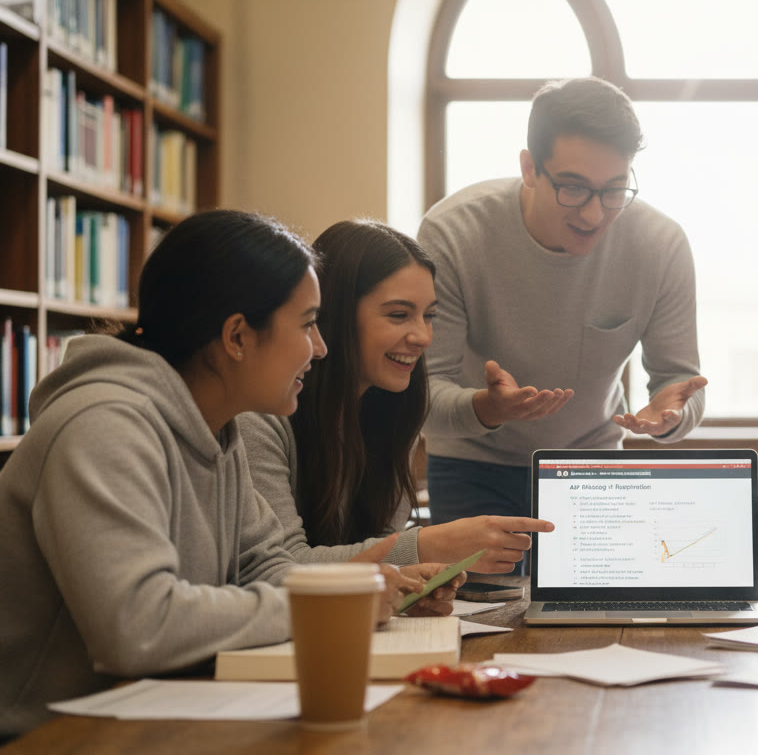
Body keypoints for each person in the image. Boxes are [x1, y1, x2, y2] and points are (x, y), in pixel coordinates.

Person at [0, 210, 453, 738]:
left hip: (156, 713)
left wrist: (368, 588)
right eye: (308, 325)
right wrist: (333, 609)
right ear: (238, 336)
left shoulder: (216, 428)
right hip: (49, 735)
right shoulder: (104, 425)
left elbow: (265, 566)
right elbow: (137, 626)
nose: (321, 348)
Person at [417, 76, 708, 541]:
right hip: (472, 463)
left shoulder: (660, 244)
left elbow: (682, 384)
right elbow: (421, 394)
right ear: (529, 168)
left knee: (596, 613)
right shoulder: (452, 233)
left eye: (614, 189)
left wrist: (671, 419)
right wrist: (486, 408)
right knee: (479, 612)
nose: (594, 214)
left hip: (592, 465)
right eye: (572, 188)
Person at [239, 220, 554, 574]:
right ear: (332, 315)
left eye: (429, 316)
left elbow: (378, 550)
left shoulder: (394, 408)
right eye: (399, 315)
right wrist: (421, 547)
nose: (422, 336)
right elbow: (280, 567)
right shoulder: (258, 417)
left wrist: (408, 584)